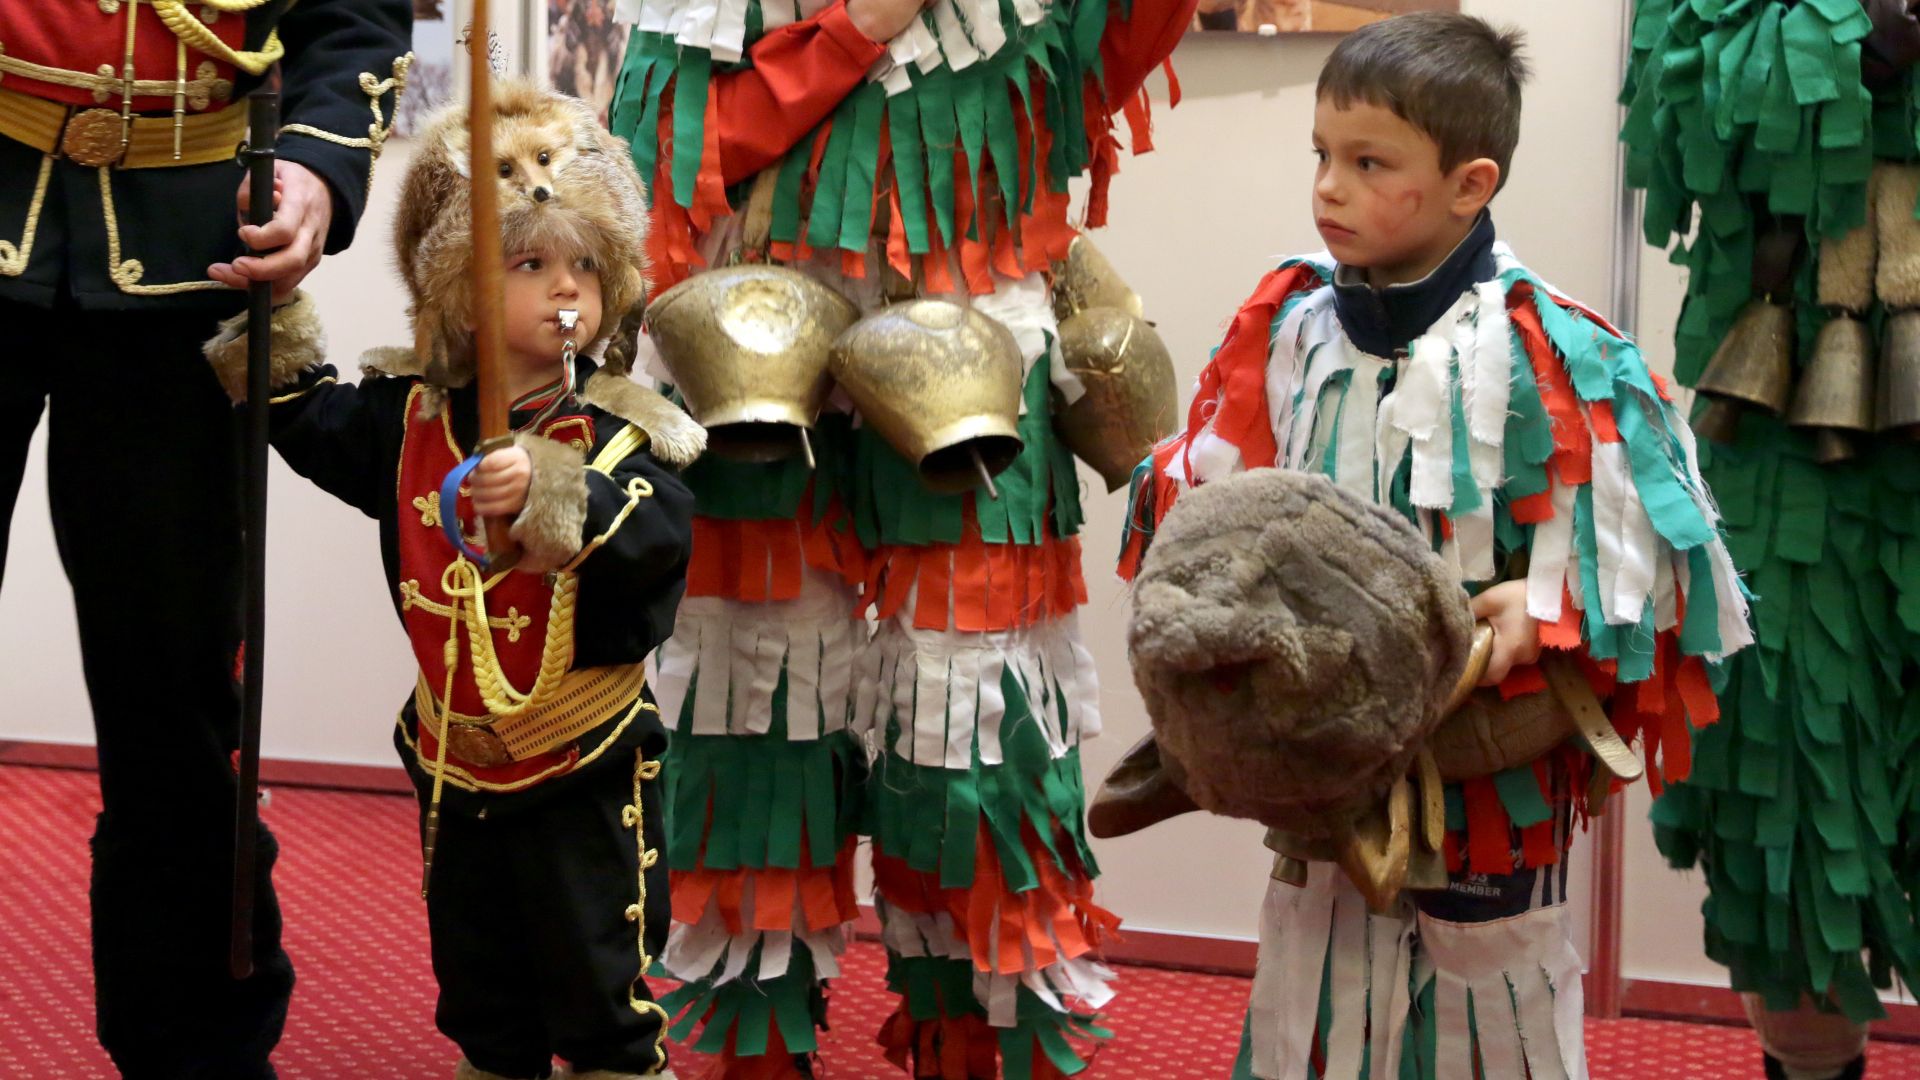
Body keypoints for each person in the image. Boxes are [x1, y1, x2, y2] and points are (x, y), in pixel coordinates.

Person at [1114, 14, 1752, 1078]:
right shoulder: (1286, 328)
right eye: (1322, 155)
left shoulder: (1552, 347)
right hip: (1321, 762)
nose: (1329, 187)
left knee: (1487, 981)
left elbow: (1647, 562)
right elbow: (1222, 497)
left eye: (1370, 163)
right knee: (1315, 972)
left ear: (1471, 182)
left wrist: (1537, 619)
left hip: (1487, 758)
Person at [606, 0, 1193, 1074]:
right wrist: (855, 27)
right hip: (749, 374)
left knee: (975, 728)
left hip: (978, 365)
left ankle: (977, 1041)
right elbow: (677, 159)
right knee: (753, 730)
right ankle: (758, 1054)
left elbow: (1114, 57)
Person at [203, 81, 703, 1080]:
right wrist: (269, 317)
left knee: (598, 976)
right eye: (529, 263)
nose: (566, 291)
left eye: (584, 267)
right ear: (456, 286)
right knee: (481, 980)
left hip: (582, 764)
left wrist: (557, 490)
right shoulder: (411, 420)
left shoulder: (620, 433)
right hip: (453, 759)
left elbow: (659, 540)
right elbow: (306, 417)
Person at [0, 3, 409, 1075]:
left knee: (174, 698)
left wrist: (317, 168)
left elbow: (349, 17)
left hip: (189, 259)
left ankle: (195, 1048)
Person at [1623, 3, 1920, 1077]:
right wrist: (1859, 46)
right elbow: (1675, 131)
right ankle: (1810, 1062)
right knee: (1784, 790)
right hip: (1779, 435)